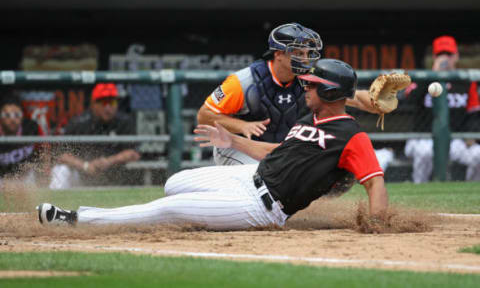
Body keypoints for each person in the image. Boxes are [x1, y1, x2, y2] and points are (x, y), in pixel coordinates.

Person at [37, 59, 388, 230]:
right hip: (250, 176)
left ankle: (77, 219)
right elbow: (274, 153)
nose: (305, 87)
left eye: (312, 85)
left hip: (264, 207)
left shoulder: (350, 135)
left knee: (168, 209)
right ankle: (207, 213)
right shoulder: (310, 119)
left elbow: (374, 181)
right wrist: (230, 138)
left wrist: (376, 224)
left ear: (328, 91)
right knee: (174, 183)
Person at [197, 23, 379, 166]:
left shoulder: (309, 78)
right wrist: (242, 125)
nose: (305, 59)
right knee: (261, 176)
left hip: (274, 151)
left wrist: (378, 101)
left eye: (308, 53)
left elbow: (355, 99)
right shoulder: (244, 81)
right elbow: (204, 116)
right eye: (298, 53)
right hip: (235, 146)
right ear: (278, 54)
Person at [404, 36, 480, 183]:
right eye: (440, 54)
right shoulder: (422, 77)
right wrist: (433, 73)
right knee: (424, 152)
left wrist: (469, 137)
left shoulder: (466, 82)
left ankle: (470, 191)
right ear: (434, 57)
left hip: (455, 140)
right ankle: (419, 188)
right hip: (422, 138)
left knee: (478, 154)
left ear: (456, 56)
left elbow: (473, 114)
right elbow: (410, 98)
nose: (445, 58)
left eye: (449, 54)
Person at [49, 83, 140, 189]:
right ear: (93, 104)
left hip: (114, 174)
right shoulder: (79, 122)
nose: (108, 107)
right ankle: (55, 205)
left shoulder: (124, 121)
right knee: (61, 170)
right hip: (82, 174)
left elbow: (134, 153)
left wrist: (109, 161)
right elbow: (61, 154)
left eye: (112, 102)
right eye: (104, 102)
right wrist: (85, 166)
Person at [0, 95, 48, 185]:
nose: (12, 119)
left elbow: (45, 148)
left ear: (22, 115)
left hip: (26, 177)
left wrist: (45, 171)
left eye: (16, 115)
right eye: (7, 115)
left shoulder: (32, 127)